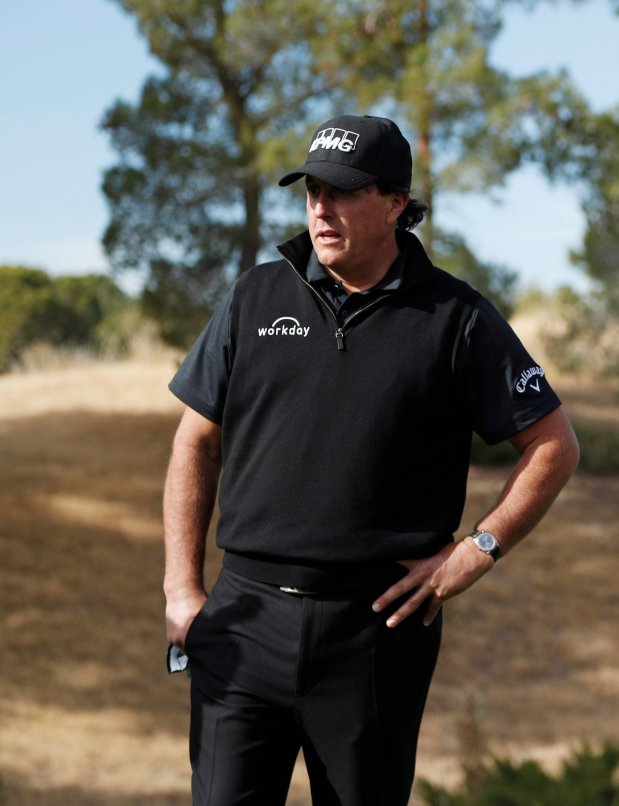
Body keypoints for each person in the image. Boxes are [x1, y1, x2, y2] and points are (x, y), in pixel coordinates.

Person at [162, 114, 579, 805]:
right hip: (243, 621)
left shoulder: (457, 317)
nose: (320, 208)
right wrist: (183, 589)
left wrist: (475, 551)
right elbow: (194, 441)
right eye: (311, 191)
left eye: (342, 192)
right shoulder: (254, 298)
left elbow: (553, 444)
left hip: (375, 635)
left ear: (394, 204)